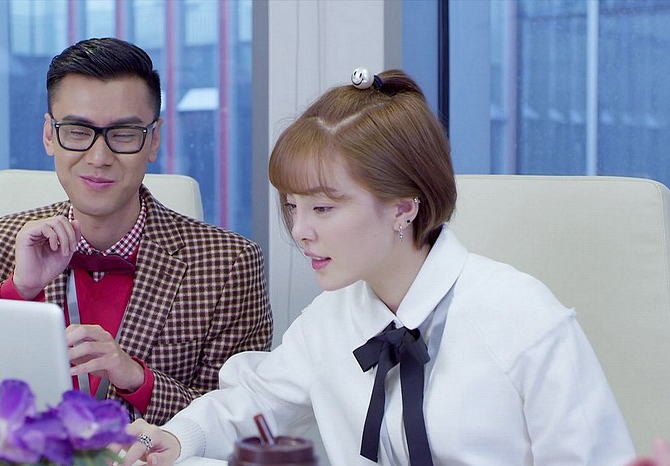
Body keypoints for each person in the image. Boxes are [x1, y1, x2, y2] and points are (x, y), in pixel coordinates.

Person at [118, 69, 635, 465]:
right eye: (293, 206)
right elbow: (252, 401)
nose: (300, 230)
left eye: (323, 208)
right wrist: (176, 438)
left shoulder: (522, 317)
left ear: (403, 207)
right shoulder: (332, 318)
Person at [0, 37, 273, 425]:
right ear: (50, 135)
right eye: (77, 131)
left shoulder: (228, 265)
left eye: (123, 134)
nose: (99, 157)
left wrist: (137, 379)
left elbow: (244, 420)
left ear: (153, 140)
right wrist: (18, 290)